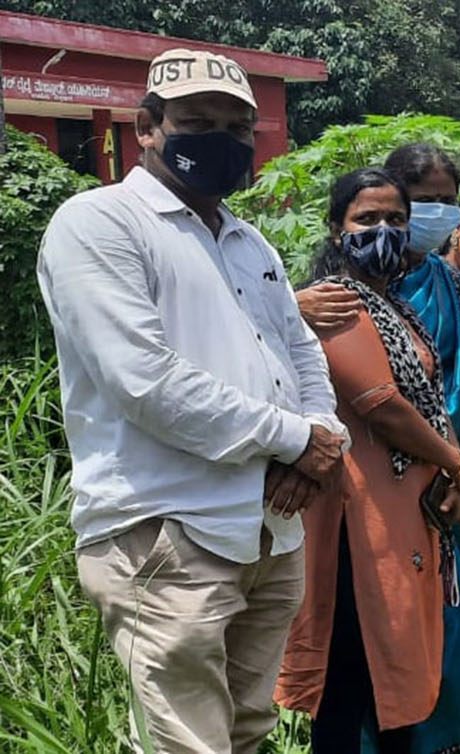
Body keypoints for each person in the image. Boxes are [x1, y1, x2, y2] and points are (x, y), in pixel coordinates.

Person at [36, 48, 347, 753]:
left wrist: (319, 438)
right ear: (147, 126)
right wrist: (296, 440)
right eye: (196, 121)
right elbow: (144, 379)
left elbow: (298, 352)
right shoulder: (100, 224)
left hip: (269, 524)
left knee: (246, 730)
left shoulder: (247, 240)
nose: (222, 141)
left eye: (238, 128)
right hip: (167, 528)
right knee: (189, 743)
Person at [293, 146, 460, 749]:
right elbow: (381, 403)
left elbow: (448, 383)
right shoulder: (336, 301)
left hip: (410, 507)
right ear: (336, 228)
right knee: (358, 657)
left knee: (400, 649)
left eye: (395, 220)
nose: (386, 232)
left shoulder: (397, 300)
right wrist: (459, 463)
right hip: (361, 510)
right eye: (367, 220)